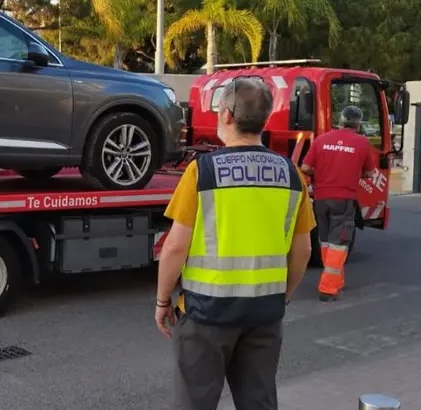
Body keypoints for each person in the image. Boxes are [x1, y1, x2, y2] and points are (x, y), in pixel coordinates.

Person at [154, 77, 315, 410]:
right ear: (264, 119)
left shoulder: (203, 171)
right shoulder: (291, 174)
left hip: (205, 315)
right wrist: (279, 296)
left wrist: (162, 301)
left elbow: (174, 247)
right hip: (264, 314)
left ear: (227, 115)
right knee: (259, 402)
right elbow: (304, 250)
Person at [299, 105, 377, 302]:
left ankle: (336, 279)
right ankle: (328, 287)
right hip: (344, 199)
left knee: (325, 241)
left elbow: (306, 167)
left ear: (340, 120)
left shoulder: (322, 139)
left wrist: (323, 175)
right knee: (339, 243)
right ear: (358, 123)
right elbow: (369, 173)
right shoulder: (362, 143)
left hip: (321, 199)